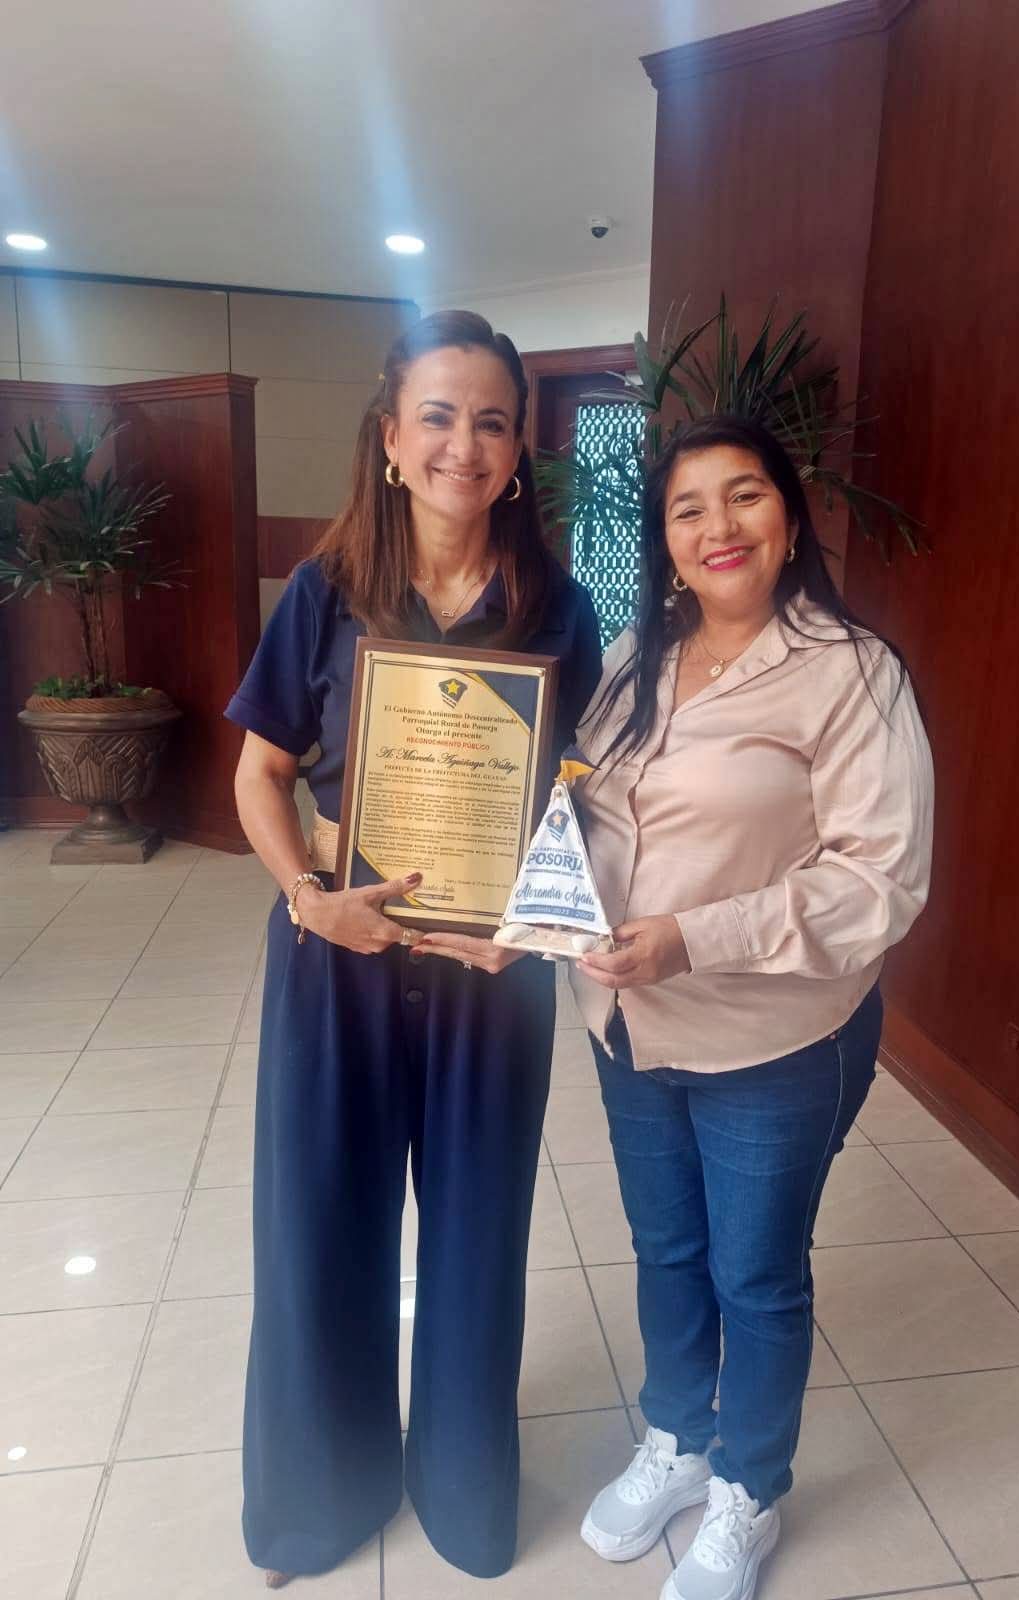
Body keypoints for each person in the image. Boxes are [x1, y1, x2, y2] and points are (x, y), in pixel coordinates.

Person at [225, 310, 601, 1587]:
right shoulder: (325, 592)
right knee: (318, 1223)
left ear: (519, 447)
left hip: (494, 983)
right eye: (437, 416)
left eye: (492, 421)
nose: (463, 445)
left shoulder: (559, 607)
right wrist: (305, 895)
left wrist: (538, 923)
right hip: (337, 959)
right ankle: (318, 1499)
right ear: (390, 438)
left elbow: (582, 799)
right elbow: (260, 773)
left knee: (477, 1236)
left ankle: (461, 1493)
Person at [569, 415, 933, 1600]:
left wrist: (695, 937)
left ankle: (748, 1486)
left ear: (788, 515)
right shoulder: (637, 653)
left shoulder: (851, 671)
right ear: (665, 539)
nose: (717, 527)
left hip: (774, 1038)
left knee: (757, 1273)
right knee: (667, 1248)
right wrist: (518, 902)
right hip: (627, 1024)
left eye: (744, 496)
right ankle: (680, 1437)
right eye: (688, 508)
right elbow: (582, 803)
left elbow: (880, 879)